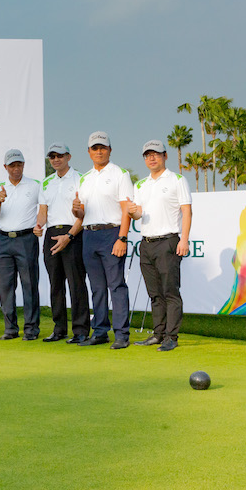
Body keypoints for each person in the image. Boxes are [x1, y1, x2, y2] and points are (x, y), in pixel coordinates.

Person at [128, 140, 192, 352]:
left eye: (155, 154)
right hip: (146, 244)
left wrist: (184, 239)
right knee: (154, 293)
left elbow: (186, 211)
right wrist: (131, 211)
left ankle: (171, 337)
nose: (151, 158)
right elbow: (138, 215)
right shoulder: (140, 185)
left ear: (165, 155)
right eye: (147, 155)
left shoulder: (177, 180)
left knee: (170, 291)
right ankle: (158, 334)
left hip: (168, 241)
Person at [72, 131, 133, 349]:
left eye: (103, 148)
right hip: (89, 235)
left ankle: (122, 334)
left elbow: (126, 210)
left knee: (116, 285)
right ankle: (99, 331)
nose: (99, 151)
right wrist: (76, 211)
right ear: (88, 152)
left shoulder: (120, 174)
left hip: (112, 234)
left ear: (110, 150)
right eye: (95, 148)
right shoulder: (84, 178)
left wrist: (122, 238)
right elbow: (82, 214)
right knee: (97, 287)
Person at [36, 143, 90, 343]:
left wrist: (70, 236)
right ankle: (59, 329)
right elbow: (43, 211)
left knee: (76, 284)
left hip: (73, 233)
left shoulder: (80, 179)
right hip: (51, 234)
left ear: (68, 156)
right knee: (55, 284)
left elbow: (84, 214)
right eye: (52, 156)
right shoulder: (46, 182)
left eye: (60, 155)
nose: (56, 159)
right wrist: (39, 225)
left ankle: (81, 330)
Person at [0, 149, 40, 340]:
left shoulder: (34, 186)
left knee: (29, 285)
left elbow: (42, 210)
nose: (15, 168)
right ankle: (10, 329)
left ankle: (31, 329)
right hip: (3, 240)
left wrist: (39, 225)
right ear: (5, 167)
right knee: (6, 286)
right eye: (12, 165)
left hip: (26, 239)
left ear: (23, 165)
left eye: (19, 164)